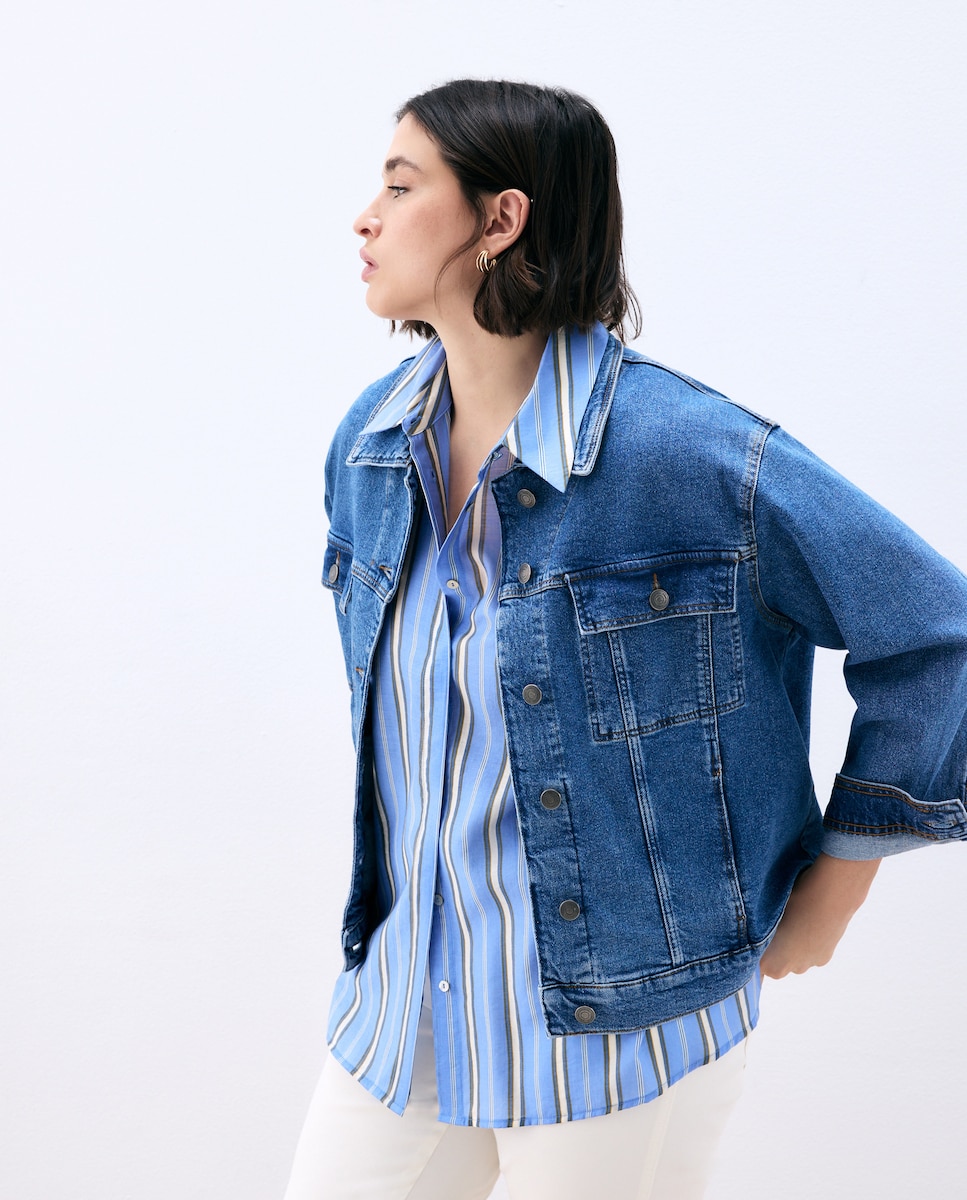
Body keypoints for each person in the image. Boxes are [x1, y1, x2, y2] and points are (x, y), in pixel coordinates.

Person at [283, 80, 967, 1199]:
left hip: (622, 1042)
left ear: (500, 220)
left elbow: (938, 633)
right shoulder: (370, 444)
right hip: (398, 1016)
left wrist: (837, 883)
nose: (365, 217)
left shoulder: (691, 457)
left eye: (401, 188)